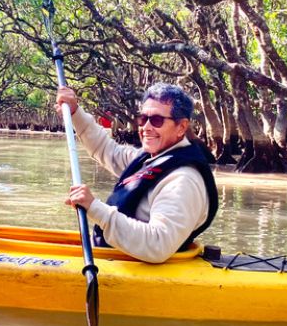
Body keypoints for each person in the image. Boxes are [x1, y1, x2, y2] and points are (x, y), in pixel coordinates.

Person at [56, 82, 219, 262]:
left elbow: (158, 245)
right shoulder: (149, 157)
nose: (146, 127)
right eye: (143, 119)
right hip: (114, 258)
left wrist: (94, 207)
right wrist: (75, 113)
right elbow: (107, 150)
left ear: (181, 127)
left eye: (157, 120)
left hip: (140, 272)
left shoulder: (183, 180)